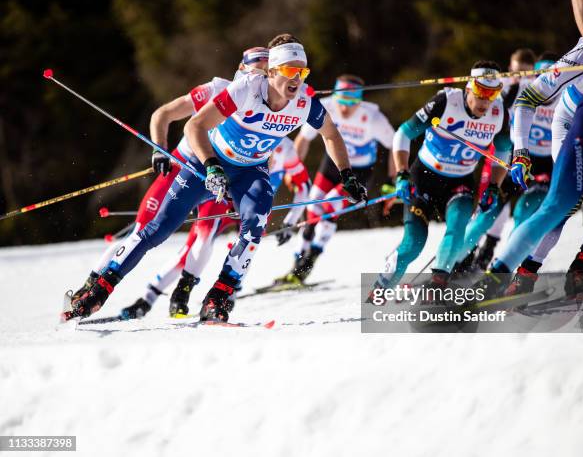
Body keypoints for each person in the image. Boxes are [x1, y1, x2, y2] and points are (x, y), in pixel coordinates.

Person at [67, 33, 366, 323]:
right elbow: (193, 127)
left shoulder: (305, 103)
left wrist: (348, 175)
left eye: (303, 71)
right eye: (290, 70)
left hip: (250, 171)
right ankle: (99, 288)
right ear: (272, 71)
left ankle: (218, 298)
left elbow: (331, 135)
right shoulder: (244, 90)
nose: (297, 78)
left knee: (255, 225)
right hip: (206, 164)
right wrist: (211, 166)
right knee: (157, 230)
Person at [66, 47, 269, 311]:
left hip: (220, 177)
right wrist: (159, 149)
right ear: (241, 71)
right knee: (145, 230)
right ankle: (90, 289)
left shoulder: (269, 106)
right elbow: (162, 114)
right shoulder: (218, 90)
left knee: (204, 238)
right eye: (257, 71)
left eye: (267, 73)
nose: (262, 79)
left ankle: (182, 295)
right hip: (184, 166)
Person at [475, 0, 583, 313]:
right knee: (564, 201)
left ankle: (581, 269)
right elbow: (528, 100)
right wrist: (520, 152)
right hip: (578, 120)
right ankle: (516, 275)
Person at [121, 135, 311, 319]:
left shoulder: (286, 148)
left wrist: (290, 221)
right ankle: (163, 296)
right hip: (221, 196)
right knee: (201, 240)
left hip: (252, 202)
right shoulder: (243, 127)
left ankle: (229, 294)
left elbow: (303, 185)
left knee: (249, 244)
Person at [372, 60, 512, 292]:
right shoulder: (445, 102)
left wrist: (494, 186)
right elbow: (403, 134)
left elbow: (504, 151)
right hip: (424, 177)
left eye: (493, 93)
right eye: (481, 92)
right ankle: (379, 291)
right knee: (412, 246)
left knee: (457, 230)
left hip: (460, 182)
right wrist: (402, 174)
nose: (486, 100)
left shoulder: (498, 113)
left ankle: (437, 285)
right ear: (469, 88)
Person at [274, 74, 395, 285]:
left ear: (360, 101)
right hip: (331, 166)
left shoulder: (372, 117)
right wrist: (292, 170)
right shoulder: (325, 107)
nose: (346, 108)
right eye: (342, 101)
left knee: (328, 205)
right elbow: (303, 139)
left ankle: (310, 260)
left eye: (351, 102)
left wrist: (394, 179)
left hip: (358, 172)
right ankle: (297, 263)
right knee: (312, 205)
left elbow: (395, 144)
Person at [452, 52, 559, 275]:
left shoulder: (566, 92)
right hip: (516, 160)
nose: (547, 81)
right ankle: (450, 264)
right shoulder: (520, 88)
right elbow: (492, 98)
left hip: (546, 165)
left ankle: (504, 270)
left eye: (552, 74)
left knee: (525, 212)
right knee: (487, 213)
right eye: (540, 75)